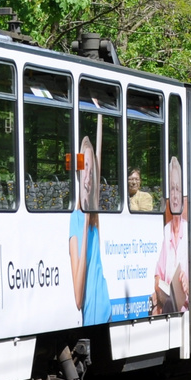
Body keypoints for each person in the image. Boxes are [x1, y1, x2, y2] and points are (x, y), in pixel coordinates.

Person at [70, 120, 111, 326]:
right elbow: (78, 299)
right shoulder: (77, 220)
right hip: (92, 317)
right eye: (84, 167)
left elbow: (99, 154)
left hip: (106, 309)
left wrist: (101, 115)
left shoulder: (95, 218)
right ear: (78, 172)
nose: (88, 174)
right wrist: (85, 224)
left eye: (91, 170)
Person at [152, 156, 188, 315]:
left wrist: (188, 285)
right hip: (168, 310)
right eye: (172, 189)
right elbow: (158, 274)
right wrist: (159, 284)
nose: (174, 195)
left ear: (182, 196)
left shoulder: (189, 232)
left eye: (178, 189)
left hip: (186, 311)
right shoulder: (166, 231)